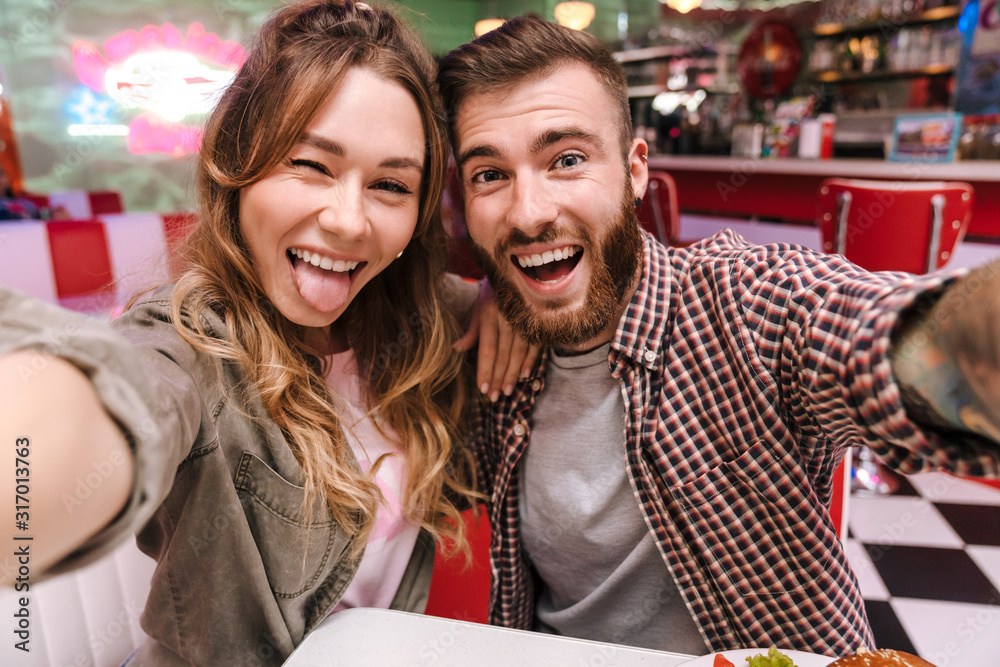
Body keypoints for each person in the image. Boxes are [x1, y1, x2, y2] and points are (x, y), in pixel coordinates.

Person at [437, 16, 1000, 658]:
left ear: (634, 170)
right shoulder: (478, 346)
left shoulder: (739, 307)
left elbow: (883, 334)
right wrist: (489, 292)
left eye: (567, 160)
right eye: (490, 174)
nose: (528, 212)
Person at [0, 2, 526, 663]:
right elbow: (118, 400)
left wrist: (510, 294)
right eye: (312, 164)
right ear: (236, 163)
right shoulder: (190, 347)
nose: (348, 220)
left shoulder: (427, 324)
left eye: (390, 184)